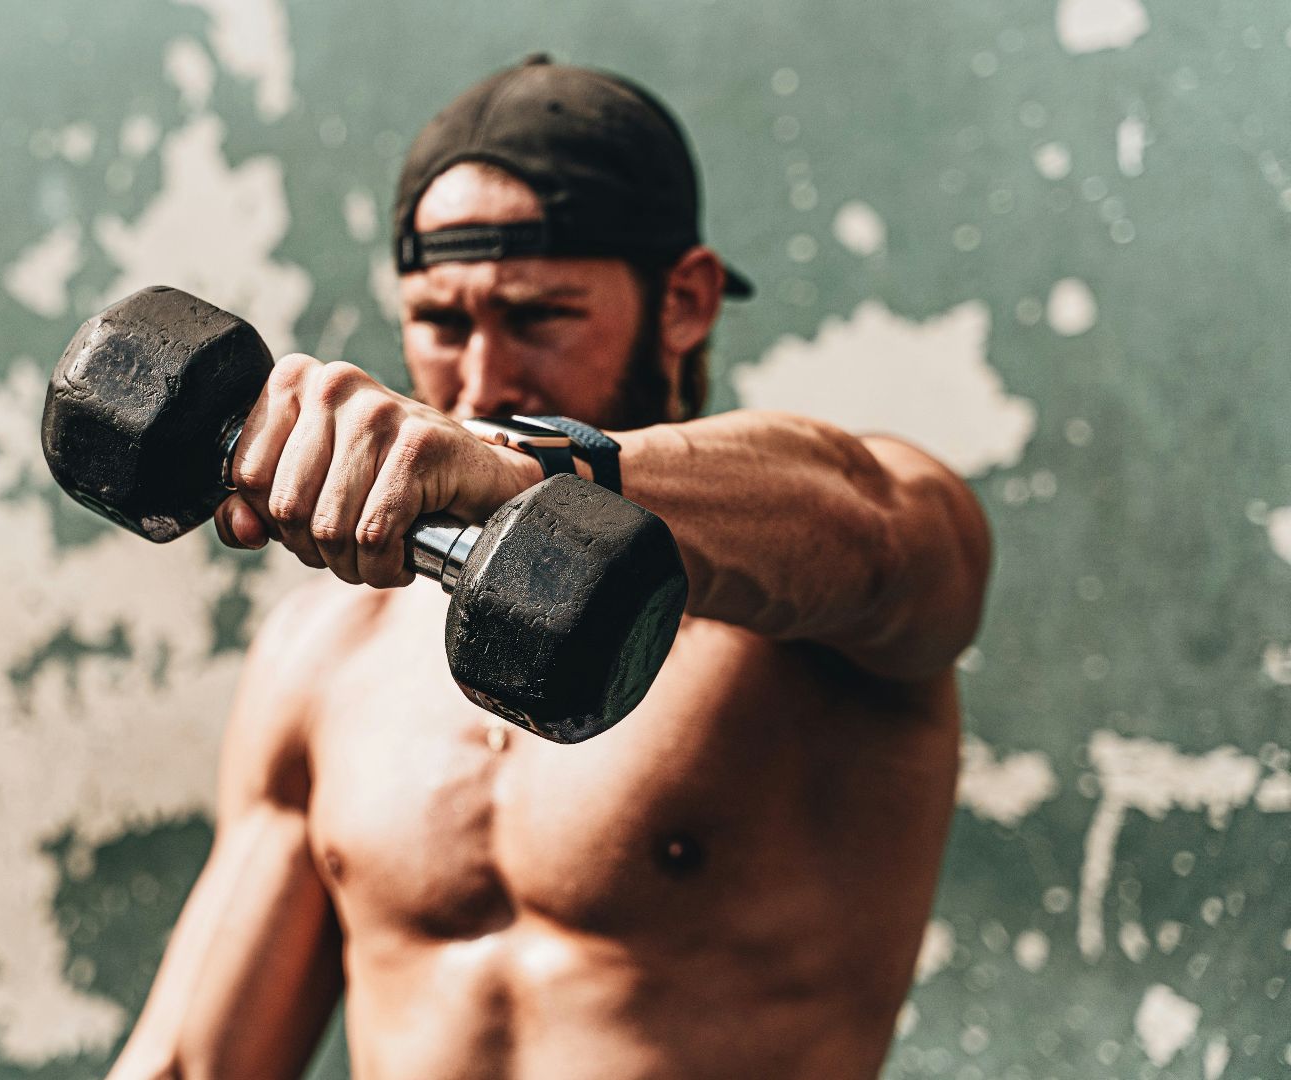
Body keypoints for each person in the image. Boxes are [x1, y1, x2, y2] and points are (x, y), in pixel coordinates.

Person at [108, 56, 990, 1080]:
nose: (481, 377)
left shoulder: (819, 605)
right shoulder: (322, 656)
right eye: (440, 320)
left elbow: (877, 520)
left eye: (537, 316)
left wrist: (521, 470)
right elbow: (195, 1063)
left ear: (686, 301)